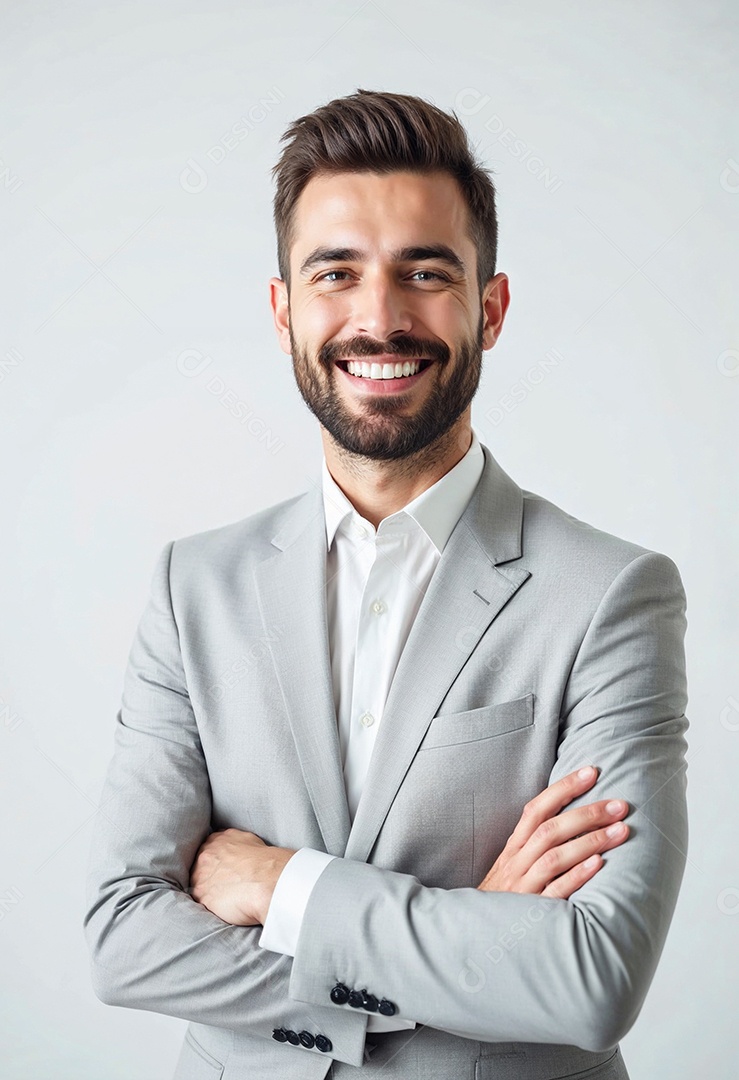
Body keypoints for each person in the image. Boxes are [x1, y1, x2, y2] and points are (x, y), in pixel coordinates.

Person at [83, 90, 689, 1080]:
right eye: (335, 273)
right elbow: (121, 937)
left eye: (424, 271)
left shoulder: (612, 595)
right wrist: (473, 945)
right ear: (283, 312)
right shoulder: (193, 588)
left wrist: (278, 884)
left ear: (488, 309)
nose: (378, 318)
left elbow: (591, 978)